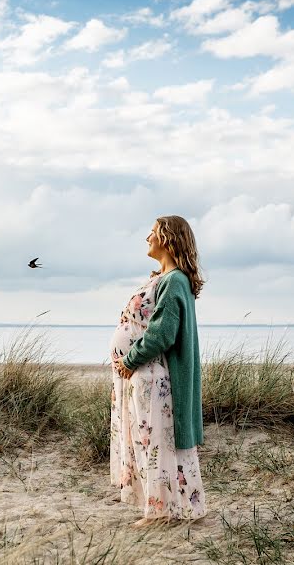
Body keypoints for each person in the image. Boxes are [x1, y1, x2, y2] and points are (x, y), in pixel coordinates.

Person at [109, 215, 207, 528]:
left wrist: (130, 359)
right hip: (147, 376)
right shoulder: (167, 278)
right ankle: (170, 508)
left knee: (155, 446)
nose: (147, 238)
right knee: (152, 444)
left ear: (167, 239)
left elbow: (163, 333)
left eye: (152, 232)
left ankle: (161, 513)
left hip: (153, 376)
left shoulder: (174, 280)